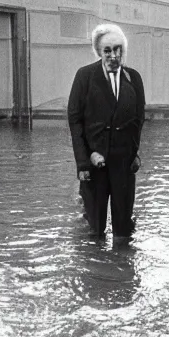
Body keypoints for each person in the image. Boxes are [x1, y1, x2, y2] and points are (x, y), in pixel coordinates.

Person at [67, 23, 145, 241]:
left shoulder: (133, 78)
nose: (113, 55)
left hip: (123, 165)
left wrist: (133, 152)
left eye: (118, 49)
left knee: (123, 231)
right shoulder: (85, 76)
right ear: (99, 52)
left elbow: (138, 120)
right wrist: (84, 160)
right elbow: (75, 121)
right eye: (107, 50)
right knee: (95, 230)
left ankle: (122, 268)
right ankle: (95, 272)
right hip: (94, 165)